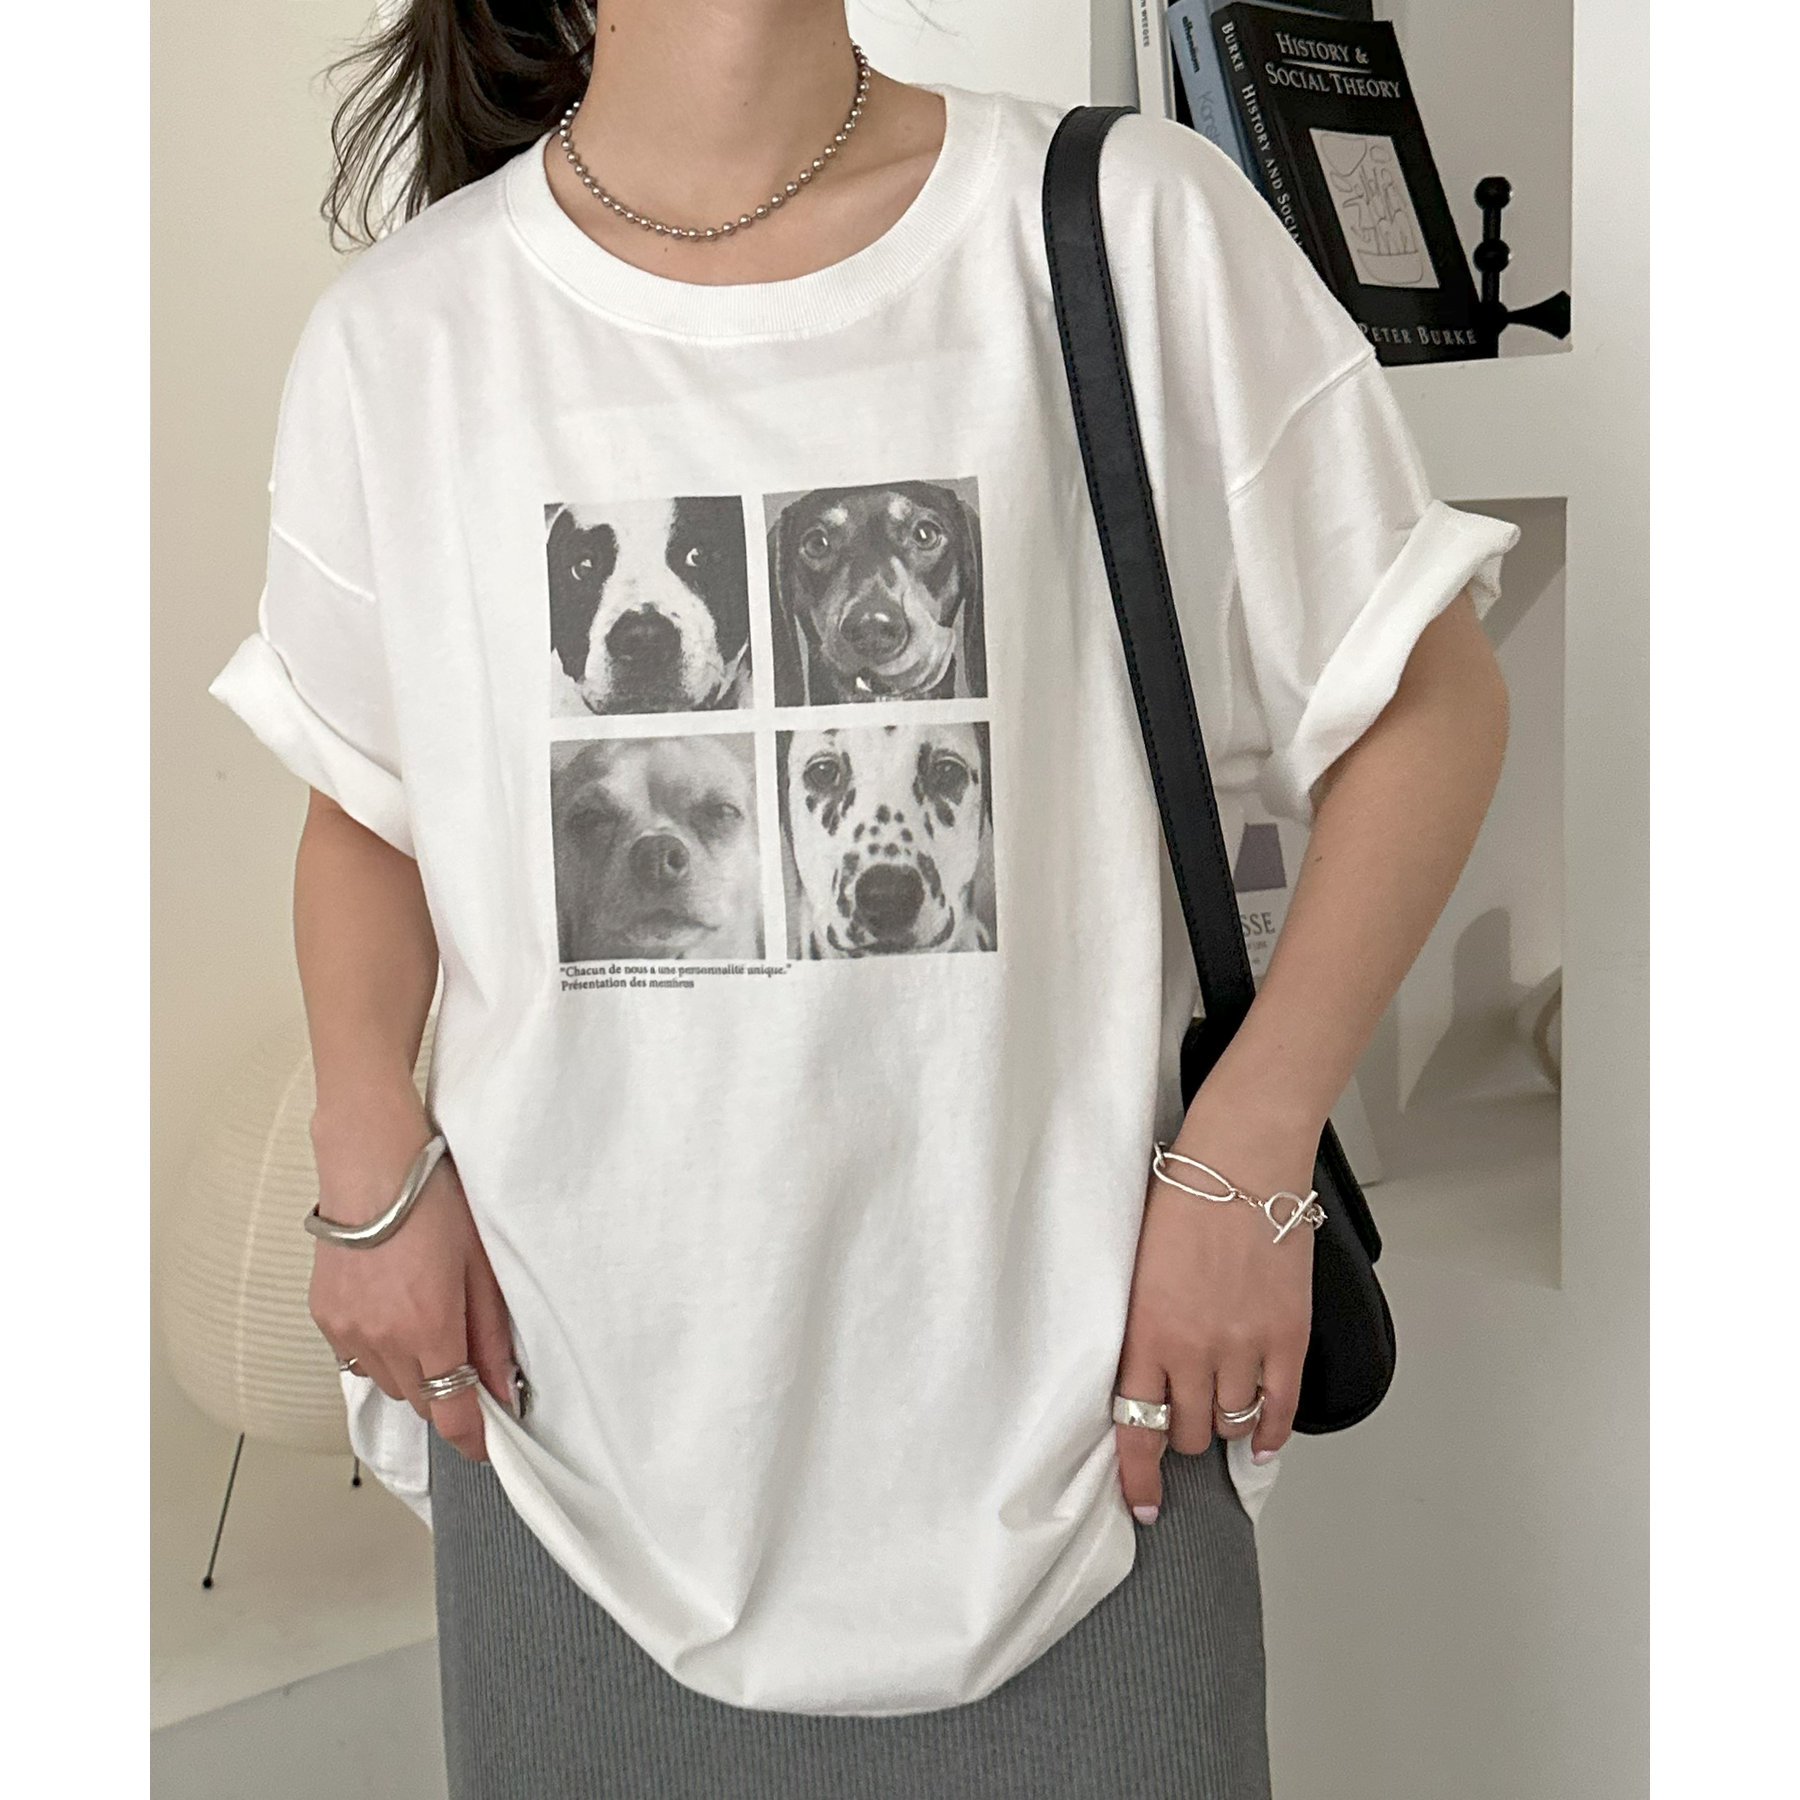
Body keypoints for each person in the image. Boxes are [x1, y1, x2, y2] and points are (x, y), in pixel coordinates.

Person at [208, 2, 1516, 1794]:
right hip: (569, 1439)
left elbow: (1425, 704)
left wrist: (1252, 1146)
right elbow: (368, 803)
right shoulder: (408, 336)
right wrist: (366, 1152)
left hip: (1086, 1440)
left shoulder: (1123, 225)